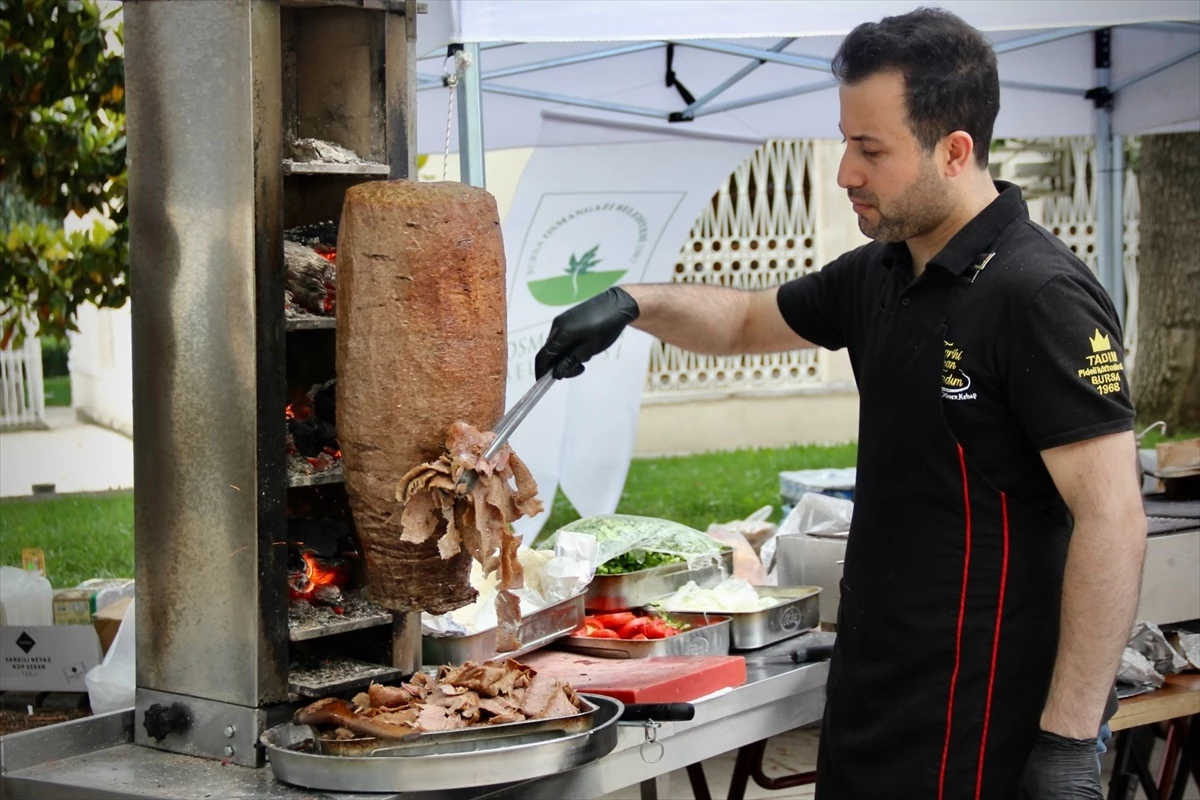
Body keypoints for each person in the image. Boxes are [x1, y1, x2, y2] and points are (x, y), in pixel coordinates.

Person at [534, 7, 1147, 799]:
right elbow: (748, 320)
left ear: (955, 150)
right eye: (845, 141)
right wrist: (627, 304)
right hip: (872, 689)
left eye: (871, 149)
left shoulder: (1037, 294)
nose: (845, 173)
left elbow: (1114, 520)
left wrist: (1067, 742)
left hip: (984, 709)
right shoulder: (882, 272)